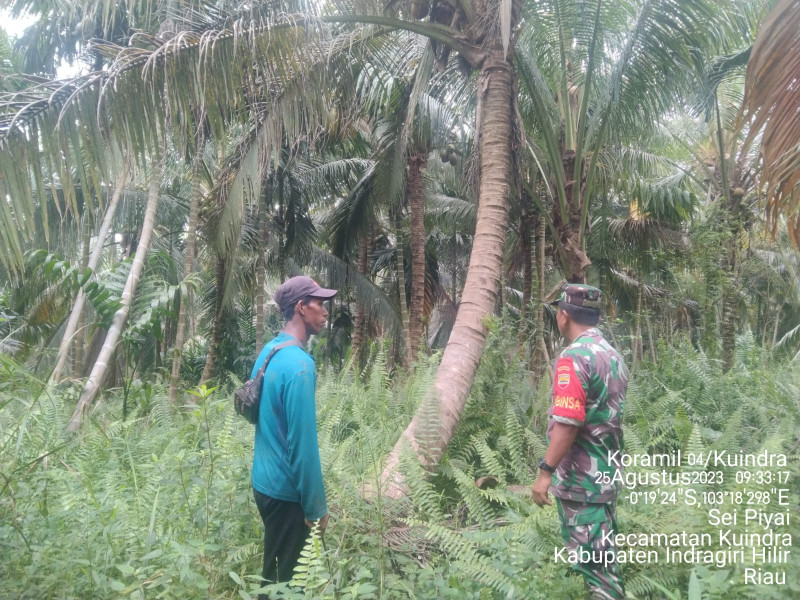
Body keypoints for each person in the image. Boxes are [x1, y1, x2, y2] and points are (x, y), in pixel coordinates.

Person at [531, 284, 628, 600]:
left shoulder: (574, 358)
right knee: (603, 562)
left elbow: (568, 423)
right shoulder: (612, 355)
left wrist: (545, 472)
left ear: (563, 315)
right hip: (605, 475)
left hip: (582, 482)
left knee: (598, 573)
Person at [251, 275, 336, 596]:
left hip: (263, 483)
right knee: (286, 586)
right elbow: (303, 446)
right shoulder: (300, 365)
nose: (325, 311)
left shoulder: (269, 352)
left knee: (275, 574)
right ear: (301, 307)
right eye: (319, 303)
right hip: (286, 494)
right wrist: (316, 509)